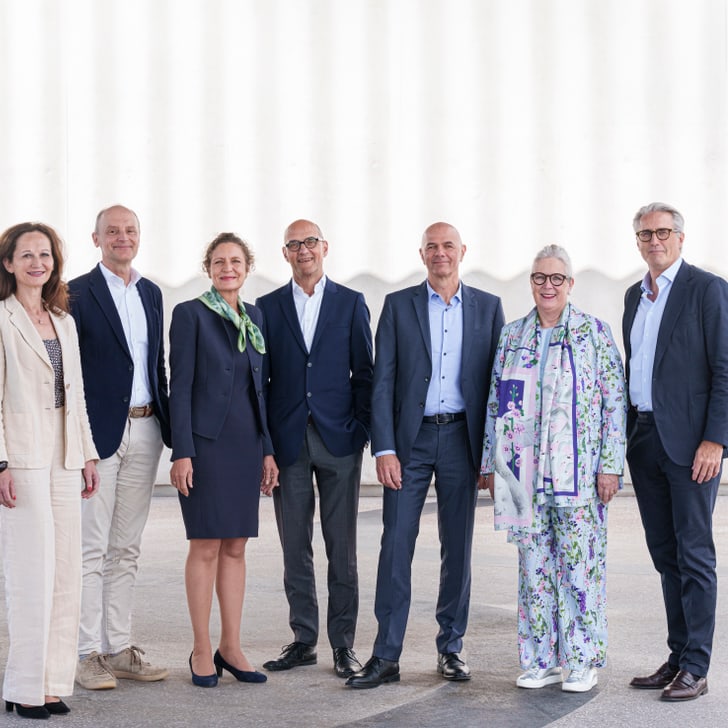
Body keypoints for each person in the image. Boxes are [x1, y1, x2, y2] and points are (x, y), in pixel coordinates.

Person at [346, 222, 504, 689]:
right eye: (432, 247)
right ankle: (386, 655)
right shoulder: (398, 306)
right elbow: (384, 382)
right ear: (421, 254)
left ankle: (451, 648)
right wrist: (386, 447)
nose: (440, 254)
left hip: (462, 440)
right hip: (409, 444)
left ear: (462, 252)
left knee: (458, 546)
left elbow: (497, 388)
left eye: (448, 246)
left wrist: (490, 456)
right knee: (395, 544)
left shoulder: (488, 308)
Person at [481, 244, 627, 694]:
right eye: (540, 278)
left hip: (579, 477)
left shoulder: (593, 333)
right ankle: (539, 658)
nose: (548, 286)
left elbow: (614, 403)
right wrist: (492, 464)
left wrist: (610, 466)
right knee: (534, 567)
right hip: (523, 477)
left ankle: (581, 659)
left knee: (579, 567)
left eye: (556, 279)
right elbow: (496, 403)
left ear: (570, 283)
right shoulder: (513, 335)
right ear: (531, 282)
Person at [256, 219, 373, 679]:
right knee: (294, 548)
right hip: (288, 444)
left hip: (339, 440)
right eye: (293, 244)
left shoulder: (350, 303)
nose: (303, 250)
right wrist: (266, 444)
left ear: (324, 247)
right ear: (284, 253)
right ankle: (304, 640)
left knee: (341, 549)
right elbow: (260, 383)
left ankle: (343, 644)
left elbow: (365, 373)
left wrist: (361, 431)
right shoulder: (266, 307)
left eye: (310, 242)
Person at [623, 202, 728, 702]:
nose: (654, 240)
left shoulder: (707, 290)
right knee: (666, 555)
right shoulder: (633, 297)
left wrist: (716, 439)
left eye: (663, 232)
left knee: (694, 554)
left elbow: (726, 369)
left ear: (681, 238)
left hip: (692, 447)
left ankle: (697, 666)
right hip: (645, 440)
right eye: (645, 234)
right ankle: (678, 653)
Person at [68, 205, 171, 690]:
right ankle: (86, 653)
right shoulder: (75, 294)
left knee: (126, 549)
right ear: (96, 238)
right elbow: (67, 375)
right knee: (91, 549)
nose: (122, 238)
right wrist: (81, 442)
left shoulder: (150, 293)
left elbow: (157, 365)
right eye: (113, 231)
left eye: (130, 230)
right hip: (98, 436)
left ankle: (119, 646)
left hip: (147, 429)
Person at [169, 232, 278, 687]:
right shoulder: (191, 314)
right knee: (206, 544)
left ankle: (230, 647)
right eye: (219, 261)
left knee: (236, 546)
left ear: (247, 267)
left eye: (235, 261)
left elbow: (262, 390)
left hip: (246, 444)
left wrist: (268, 448)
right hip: (206, 445)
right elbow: (181, 387)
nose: (227, 268)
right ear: (208, 268)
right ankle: (200, 648)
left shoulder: (254, 316)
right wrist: (183, 452)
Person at [0, 222, 99, 719]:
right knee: (29, 573)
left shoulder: (63, 320)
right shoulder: (1, 318)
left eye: (45, 255)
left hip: (64, 455)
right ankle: (22, 686)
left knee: (65, 573)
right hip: (21, 455)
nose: (37, 263)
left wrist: (86, 454)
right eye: (26, 255)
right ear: (9, 263)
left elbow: (75, 394)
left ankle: (52, 682)